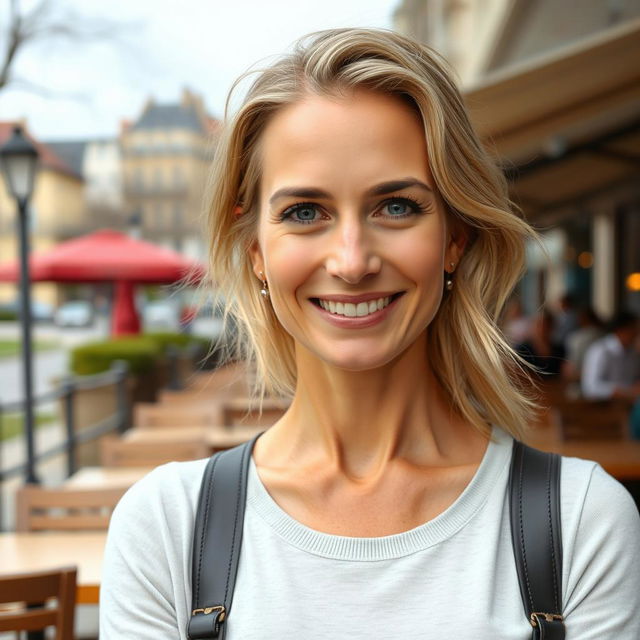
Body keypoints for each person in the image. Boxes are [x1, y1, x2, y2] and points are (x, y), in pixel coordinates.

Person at [100, 29, 640, 638]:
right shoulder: (169, 528)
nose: (352, 261)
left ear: (455, 238)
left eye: (398, 206)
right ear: (256, 249)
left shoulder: (580, 522)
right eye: (305, 213)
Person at [581, 311, 640, 400]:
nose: (636, 334)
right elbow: (590, 386)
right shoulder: (601, 350)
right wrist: (618, 391)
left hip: (628, 403)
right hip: (604, 406)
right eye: (634, 329)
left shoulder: (633, 352)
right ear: (621, 330)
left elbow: (635, 379)